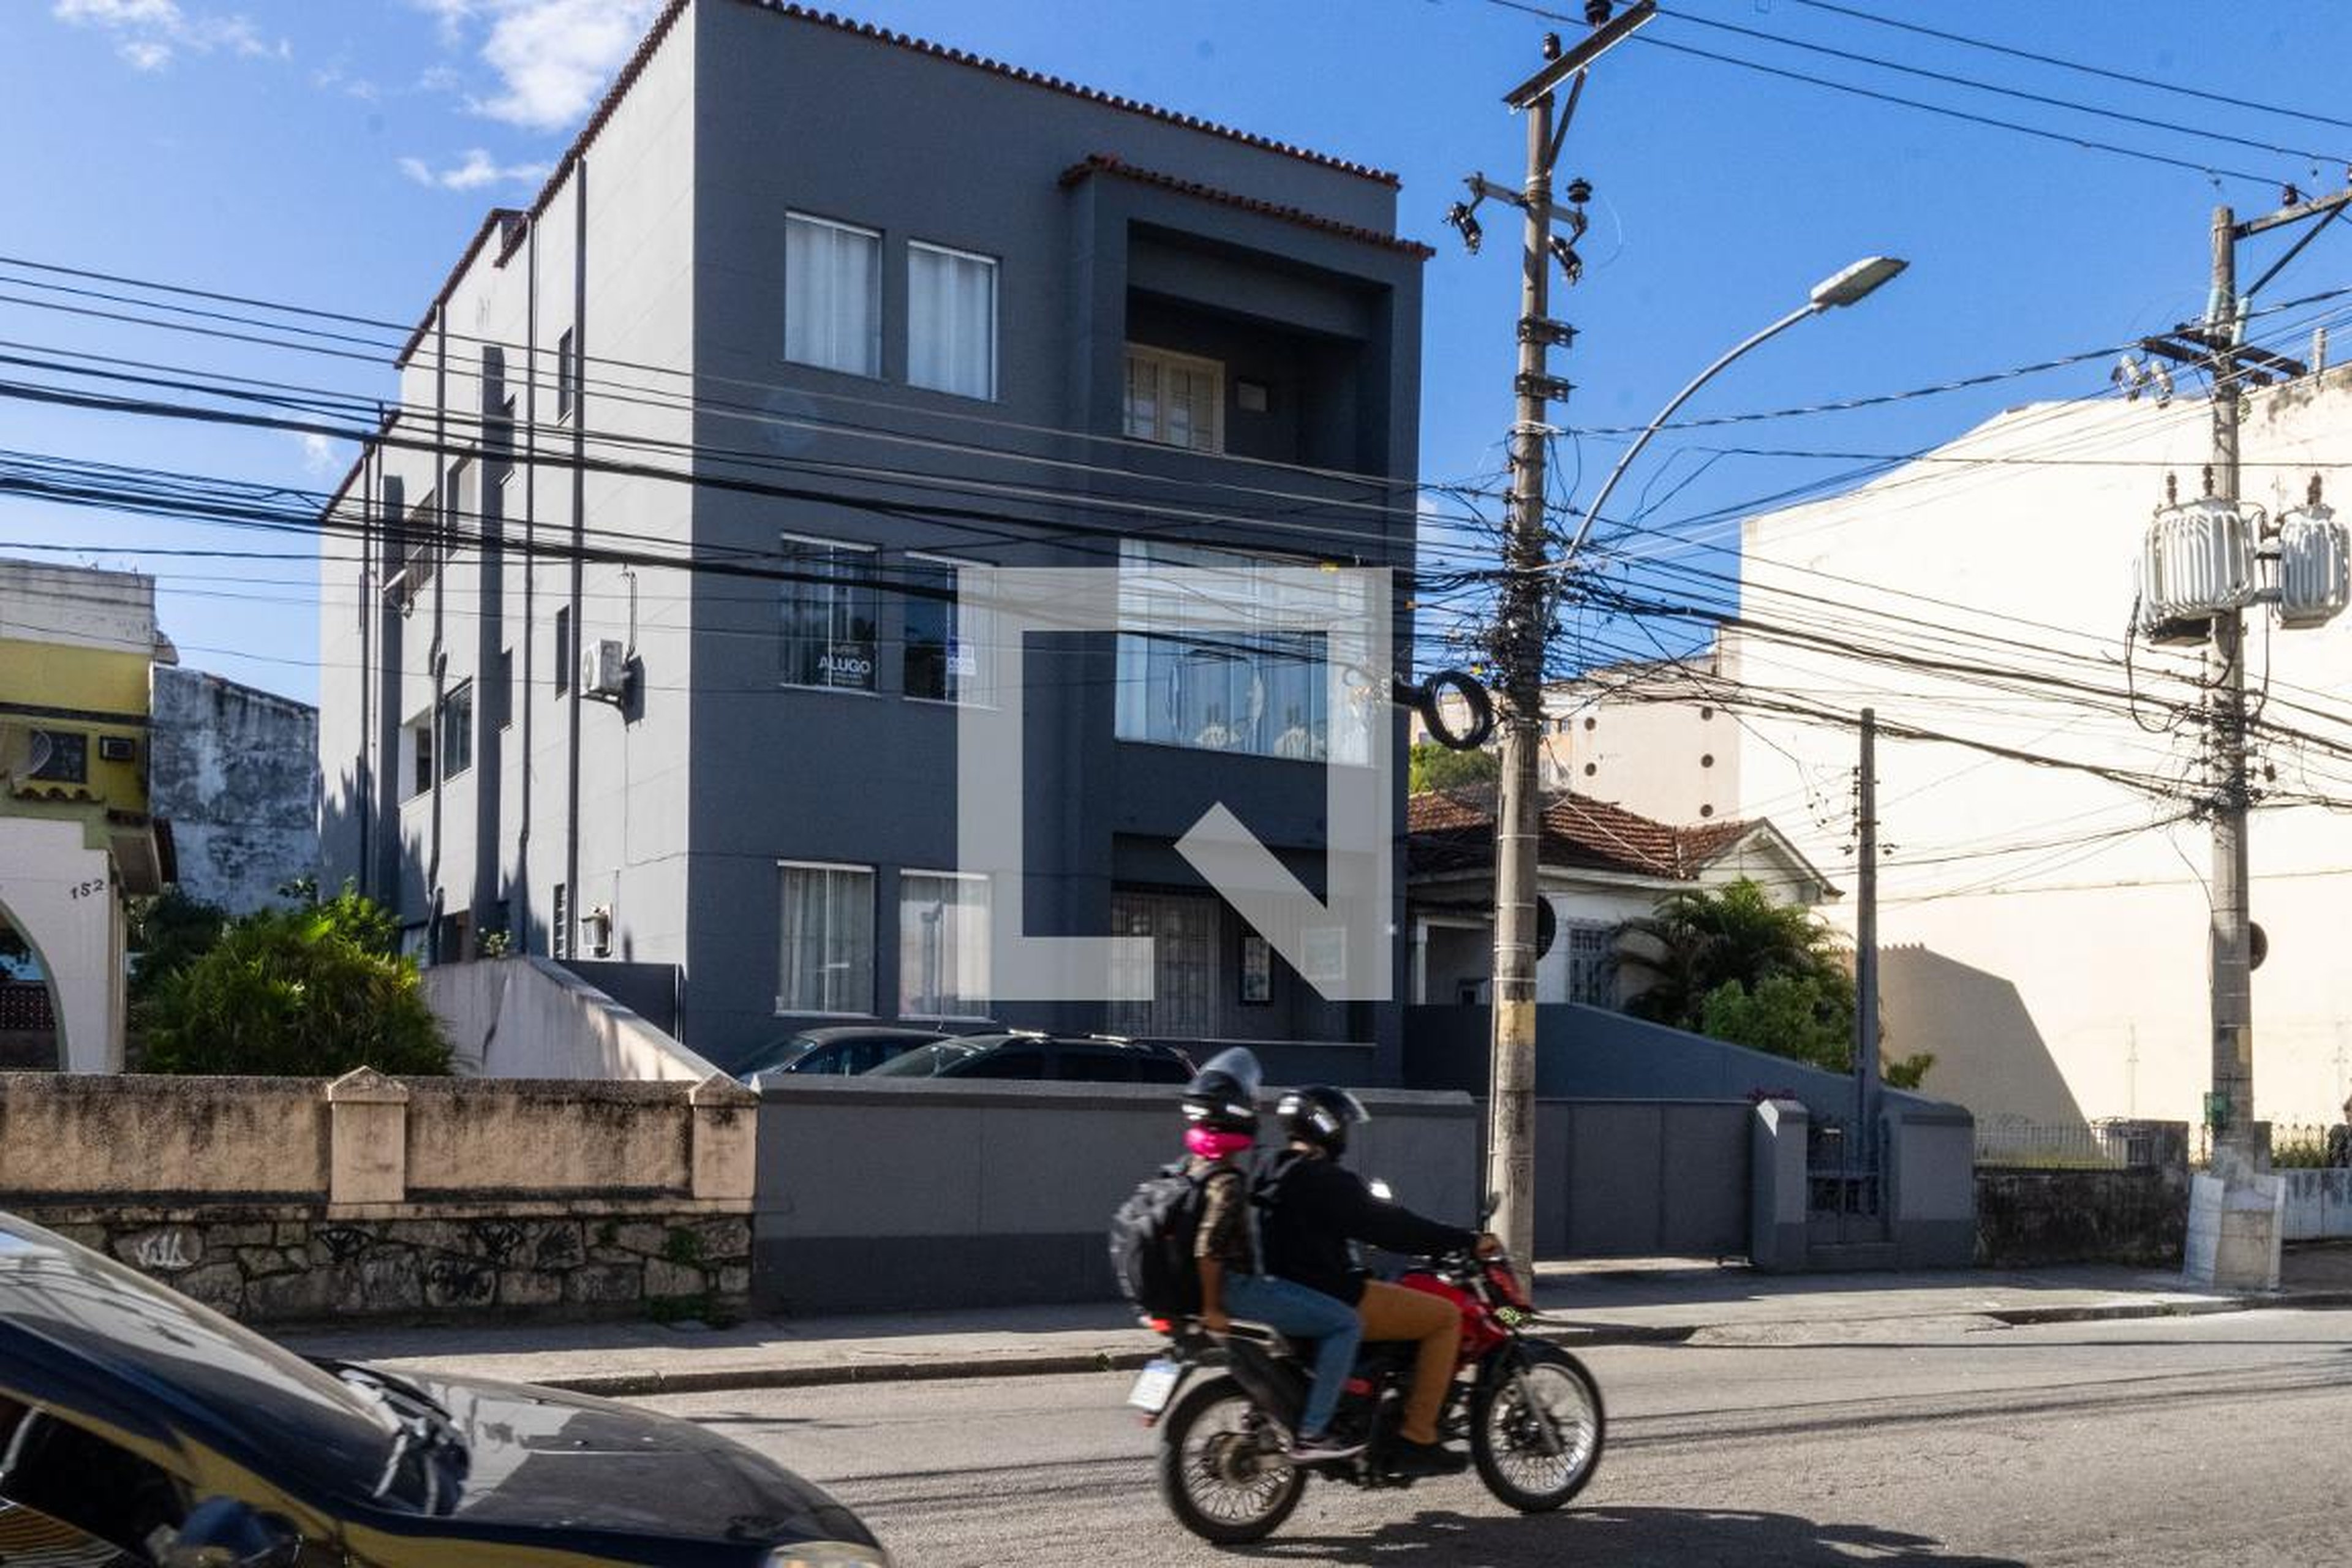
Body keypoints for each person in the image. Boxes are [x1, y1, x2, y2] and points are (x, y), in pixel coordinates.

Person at [1257, 1084, 1500, 1479]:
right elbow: (1392, 1228)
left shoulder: (1269, 1167)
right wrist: (1465, 1240)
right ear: (1330, 1128)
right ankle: (1418, 1437)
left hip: (1283, 1296)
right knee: (1445, 1318)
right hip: (1335, 1295)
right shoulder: (1329, 1181)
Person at [1180, 1049, 1366, 1464]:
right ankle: (1314, 1432)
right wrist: (1213, 1307)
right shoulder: (1228, 1178)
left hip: (1227, 1287)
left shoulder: (1192, 1168)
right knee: (1347, 1324)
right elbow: (1209, 1247)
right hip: (1238, 1290)